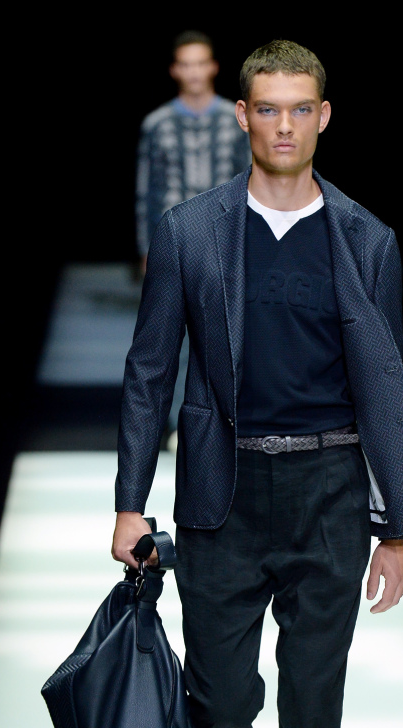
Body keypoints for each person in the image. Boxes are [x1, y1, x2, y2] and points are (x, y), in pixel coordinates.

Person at [113, 39, 403, 728]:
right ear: (242, 115)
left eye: (300, 108)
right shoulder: (191, 232)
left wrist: (398, 524)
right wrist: (129, 502)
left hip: (329, 492)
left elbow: (386, 385)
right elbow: (149, 370)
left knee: (314, 708)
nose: (283, 125)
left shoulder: (367, 240)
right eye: (268, 108)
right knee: (216, 695)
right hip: (224, 489)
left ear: (322, 116)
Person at [136, 30, 251, 440]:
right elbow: (145, 188)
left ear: (213, 67)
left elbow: (250, 179)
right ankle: (173, 425)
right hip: (172, 242)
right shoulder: (157, 124)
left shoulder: (236, 120)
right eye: (187, 64)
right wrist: (145, 246)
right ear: (175, 70)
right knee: (167, 337)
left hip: (226, 239)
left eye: (201, 63)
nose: (195, 72)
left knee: (226, 331)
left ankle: (224, 422)